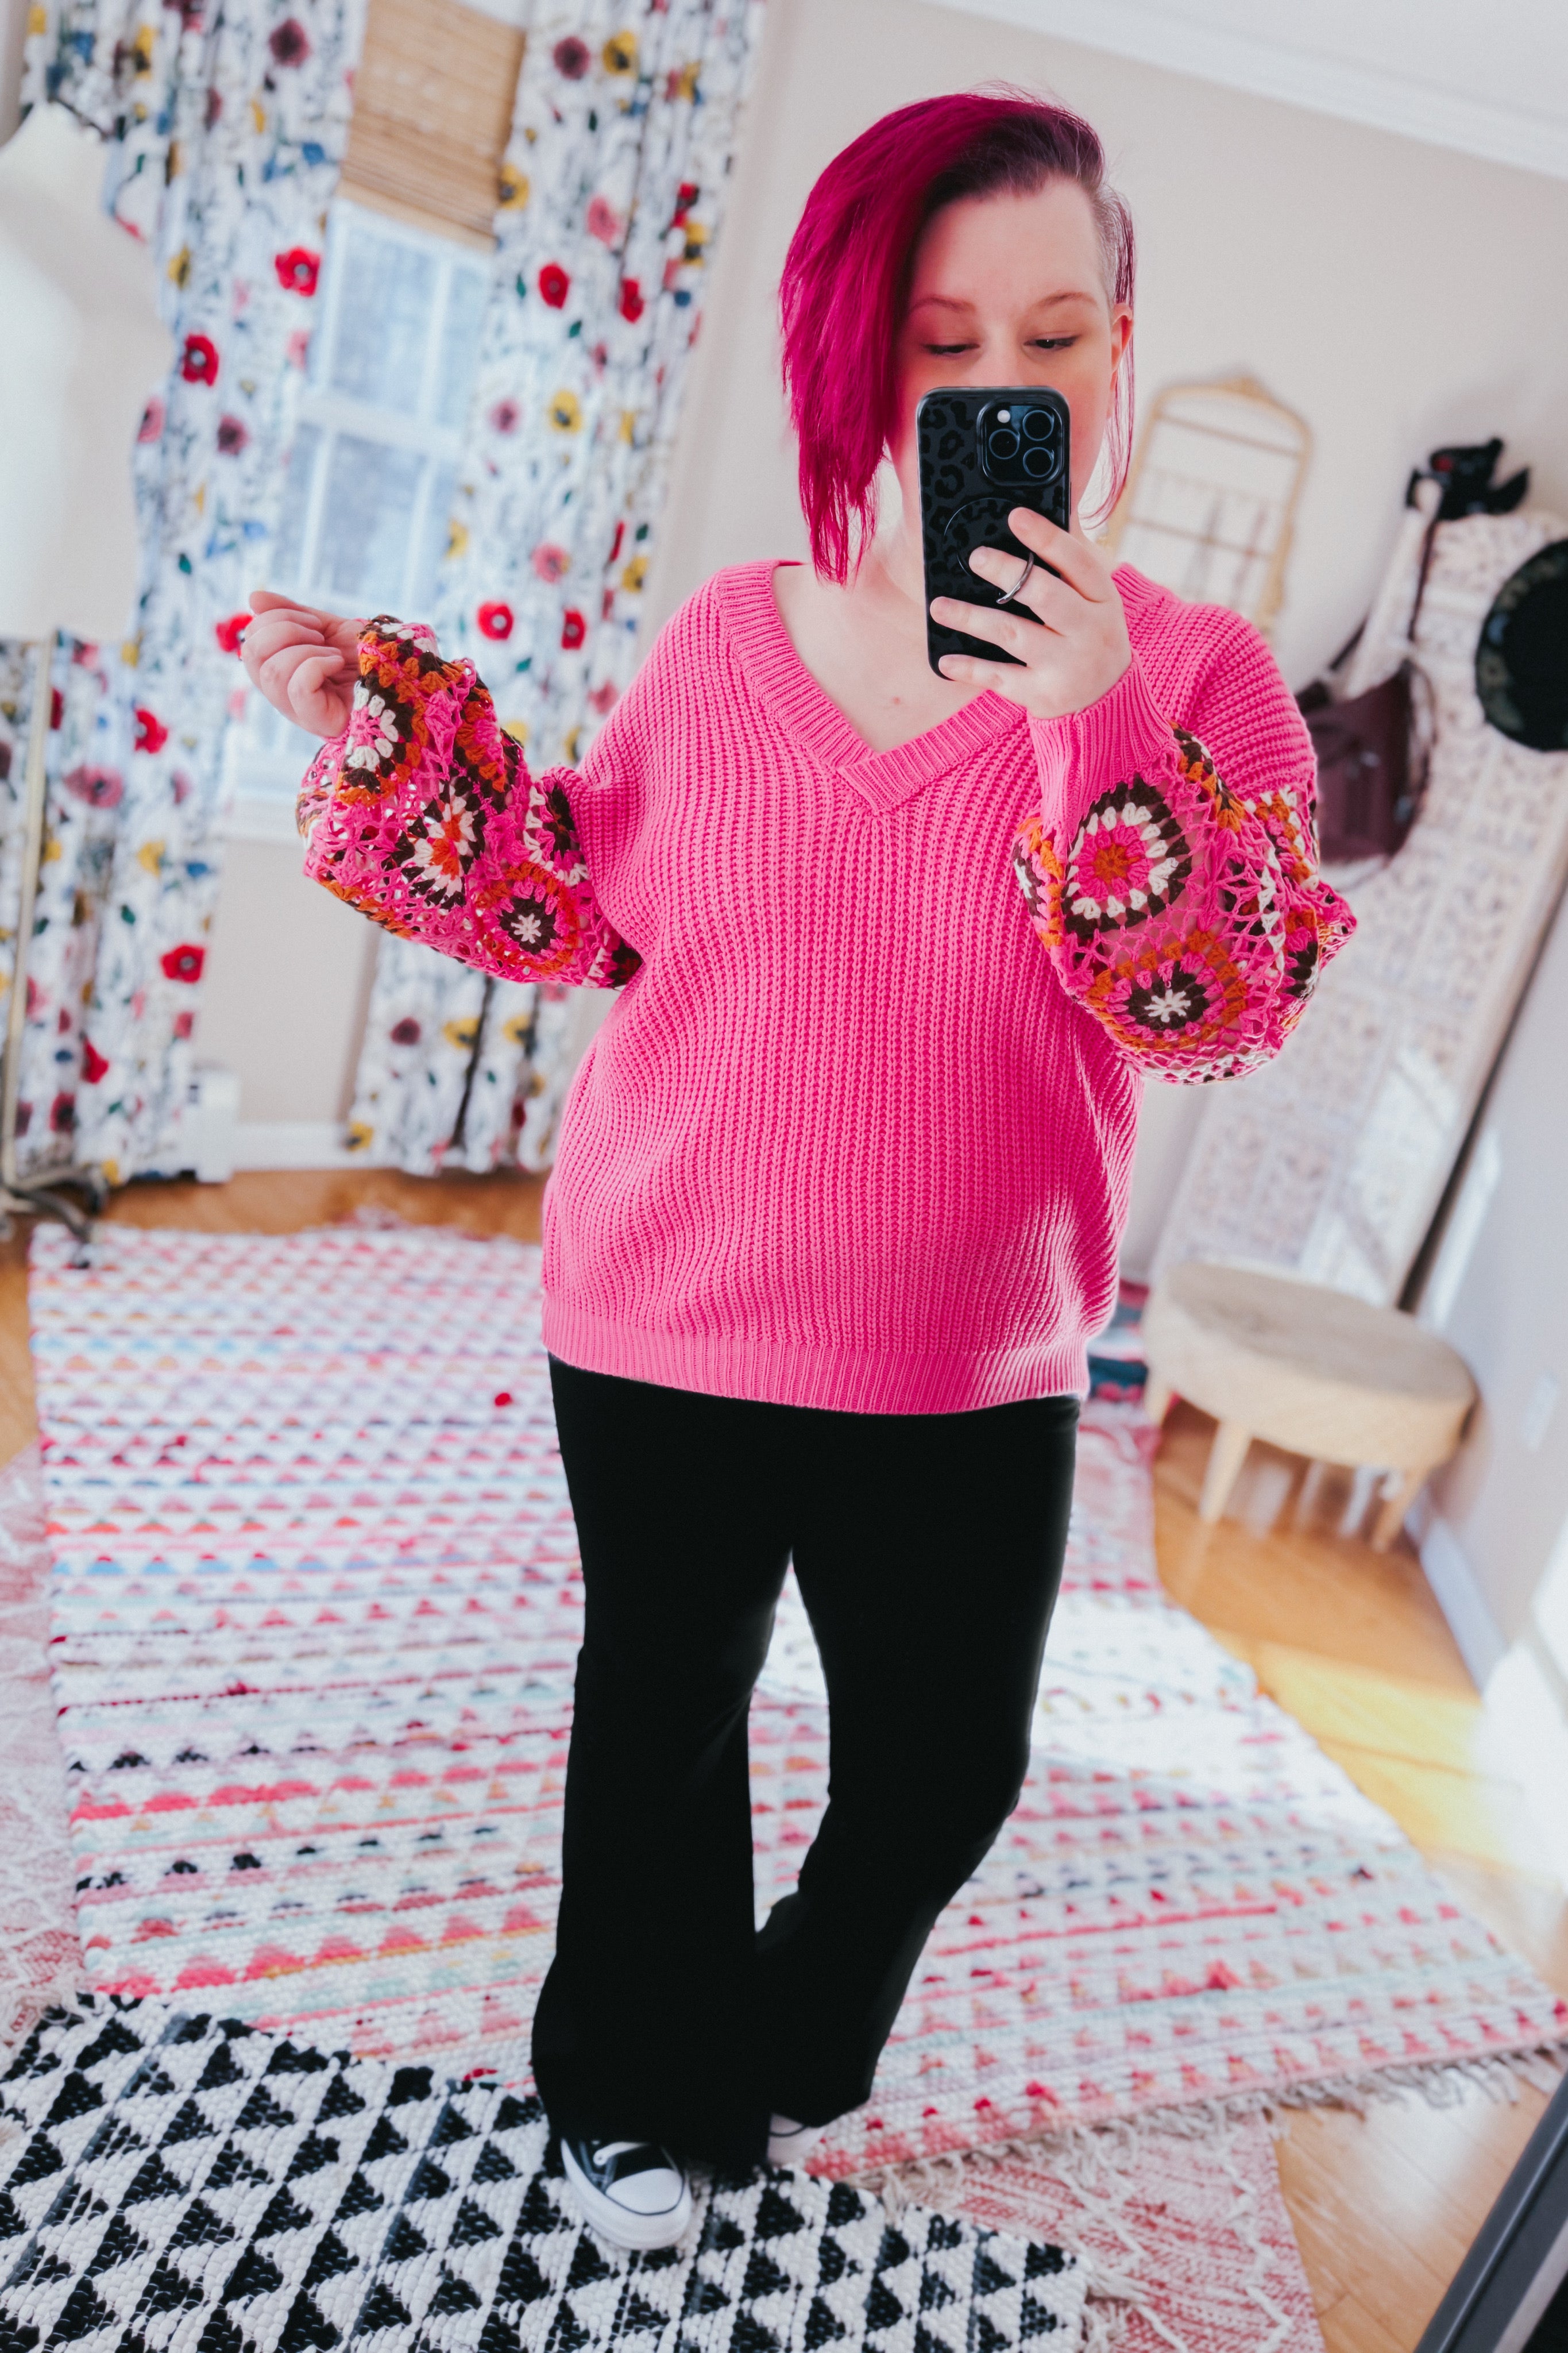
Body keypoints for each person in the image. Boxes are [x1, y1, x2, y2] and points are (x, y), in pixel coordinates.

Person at [242, 90, 1353, 2250]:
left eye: (1058, 332)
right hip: (658, 1305)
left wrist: (1090, 713)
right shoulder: (730, 642)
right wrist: (381, 728)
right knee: (660, 1719)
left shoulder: (1199, 681)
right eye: (948, 344)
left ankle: (783, 2043)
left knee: (944, 1772)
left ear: (1123, 345)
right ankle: (624, 2087)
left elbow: (1209, 1003)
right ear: (860, 353)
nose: (1007, 389)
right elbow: (574, 894)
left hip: (972, 1360)